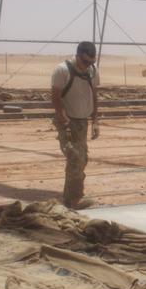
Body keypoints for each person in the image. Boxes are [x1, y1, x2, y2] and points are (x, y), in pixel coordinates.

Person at [51, 41, 100, 209]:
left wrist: (95, 120)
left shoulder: (92, 71)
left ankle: (69, 197)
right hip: (67, 121)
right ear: (77, 56)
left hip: (82, 121)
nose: (88, 65)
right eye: (85, 62)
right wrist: (63, 120)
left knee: (82, 158)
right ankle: (74, 199)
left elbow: (93, 94)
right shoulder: (62, 70)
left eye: (92, 62)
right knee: (75, 157)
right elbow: (55, 97)